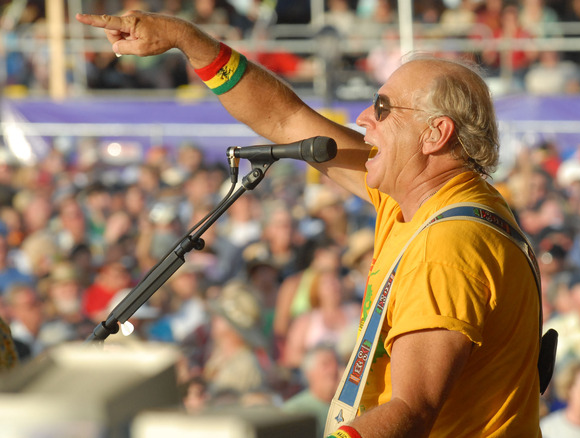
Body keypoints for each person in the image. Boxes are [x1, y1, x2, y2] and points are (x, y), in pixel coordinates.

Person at [76, 10, 542, 437]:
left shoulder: (447, 243)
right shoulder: (420, 204)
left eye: (382, 108)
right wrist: (188, 40)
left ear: (435, 134)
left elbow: (411, 409)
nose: (363, 118)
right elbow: (285, 118)